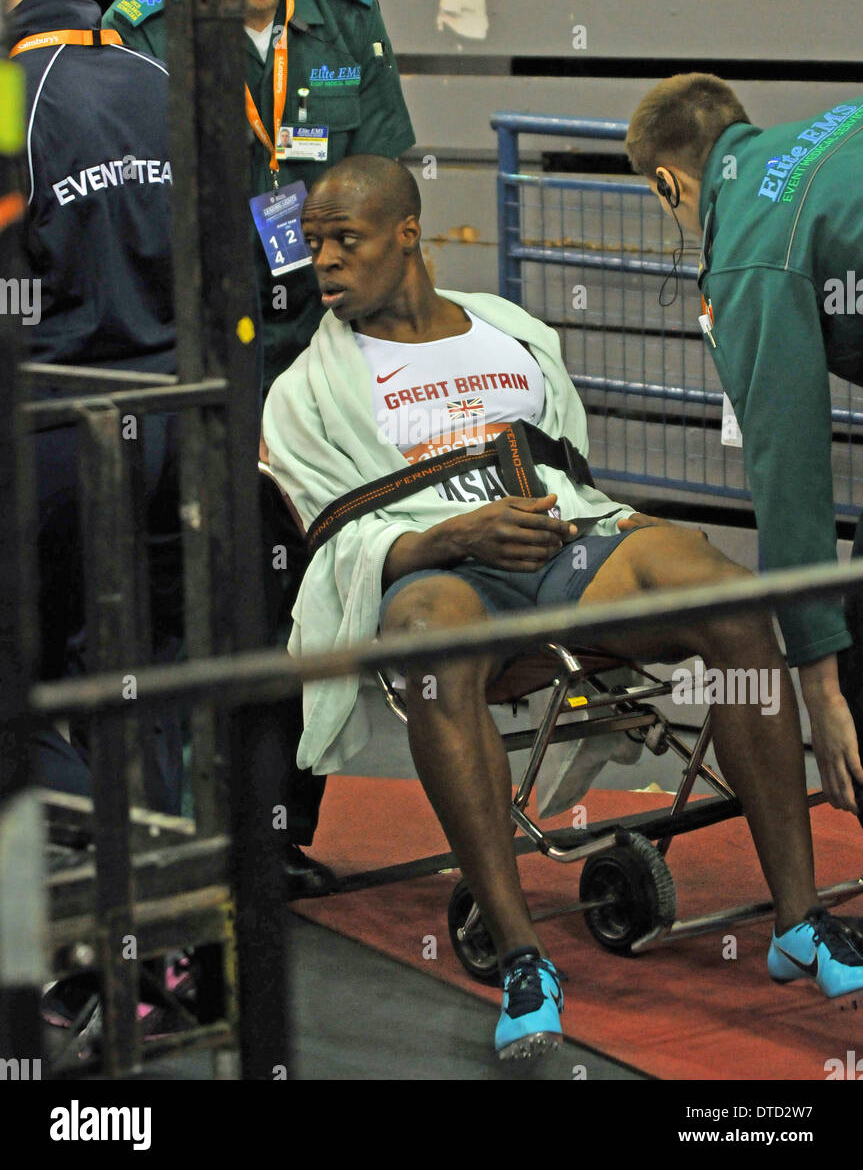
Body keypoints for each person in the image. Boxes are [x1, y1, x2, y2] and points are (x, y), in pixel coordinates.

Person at [262, 154, 863, 1060]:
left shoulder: (508, 331)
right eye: (314, 245)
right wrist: (458, 536)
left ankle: (797, 920)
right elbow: (332, 545)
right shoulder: (302, 392)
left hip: (562, 543)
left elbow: (571, 469)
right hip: (442, 576)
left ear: (408, 233)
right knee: (428, 634)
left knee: (734, 603)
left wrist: (592, 530)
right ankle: (520, 955)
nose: (327, 262)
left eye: (347, 240)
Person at [104, 0, 415, 895]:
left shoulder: (346, 14)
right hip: (203, 362)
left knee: (308, 588)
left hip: (321, 356)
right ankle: (191, 831)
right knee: (210, 594)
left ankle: (275, 832)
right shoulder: (138, 33)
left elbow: (386, 176)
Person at [625, 72, 863, 821]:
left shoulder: (749, 250)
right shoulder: (833, 127)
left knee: (856, 671)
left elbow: (789, 473)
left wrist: (819, 690)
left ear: (667, 183)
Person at [2, 0, 183, 815]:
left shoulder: (6, 102)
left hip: (56, 437)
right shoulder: (163, 83)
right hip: (175, 427)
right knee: (143, 680)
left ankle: (93, 866)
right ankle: (163, 892)